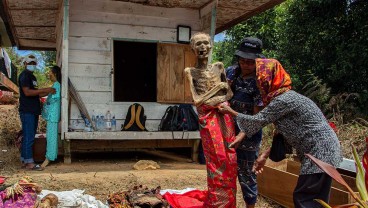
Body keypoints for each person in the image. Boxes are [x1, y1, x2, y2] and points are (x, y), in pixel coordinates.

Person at [218, 57, 342, 208]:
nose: (258, 83)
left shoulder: (283, 100)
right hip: (325, 151)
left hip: (320, 152)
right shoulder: (285, 97)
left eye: (260, 79)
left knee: (305, 199)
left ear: (269, 79)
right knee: (317, 201)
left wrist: (230, 111)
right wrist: (264, 155)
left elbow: (257, 121)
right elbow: (286, 133)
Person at [184, 32, 238, 207]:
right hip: (208, 118)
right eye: (198, 44)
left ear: (210, 46)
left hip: (224, 116)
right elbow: (198, 101)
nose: (202, 47)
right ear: (192, 48)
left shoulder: (219, 67)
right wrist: (218, 91)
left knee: (230, 155)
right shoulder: (190, 71)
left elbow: (229, 94)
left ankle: (229, 201)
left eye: (205, 43)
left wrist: (219, 95)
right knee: (215, 158)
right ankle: (217, 201)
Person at [225, 37, 264, 208]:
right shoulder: (231, 73)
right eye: (242, 61)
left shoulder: (260, 81)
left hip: (249, 136)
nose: (246, 65)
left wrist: (241, 136)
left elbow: (257, 118)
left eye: (250, 62)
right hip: (228, 130)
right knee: (227, 174)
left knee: (247, 175)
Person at [18, 54, 56, 170]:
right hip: (27, 110)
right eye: (30, 63)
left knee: (29, 136)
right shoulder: (25, 75)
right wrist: (46, 89)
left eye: (34, 63)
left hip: (33, 110)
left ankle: (25, 160)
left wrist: (49, 91)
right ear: (25, 64)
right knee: (29, 136)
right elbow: (27, 92)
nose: (32, 65)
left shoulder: (32, 77)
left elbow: (37, 93)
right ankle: (30, 163)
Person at [41, 66, 62, 168]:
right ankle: (51, 156)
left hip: (53, 115)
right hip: (51, 115)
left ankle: (49, 158)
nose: (49, 74)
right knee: (51, 136)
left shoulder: (57, 85)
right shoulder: (55, 85)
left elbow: (55, 98)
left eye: (50, 72)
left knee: (51, 137)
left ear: (55, 74)